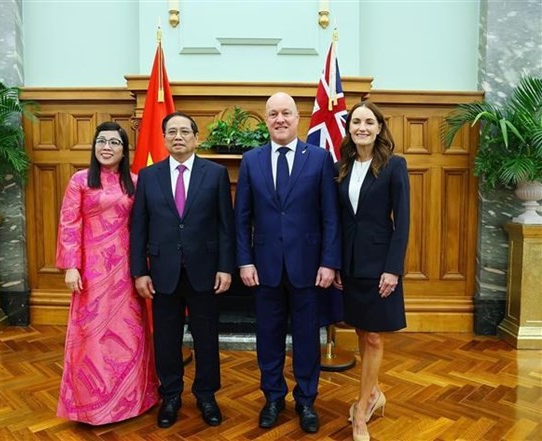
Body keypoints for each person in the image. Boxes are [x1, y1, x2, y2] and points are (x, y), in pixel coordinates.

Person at [234, 92, 341, 434]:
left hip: (309, 267)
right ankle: (273, 398)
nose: (280, 119)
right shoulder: (251, 160)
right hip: (264, 267)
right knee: (268, 336)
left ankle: (306, 400)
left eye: (286, 113)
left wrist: (329, 262)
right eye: (273, 114)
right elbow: (242, 218)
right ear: (266, 120)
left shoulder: (320, 159)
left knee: (308, 337)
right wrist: (244, 261)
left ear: (299, 118)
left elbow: (330, 217)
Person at [130, 111, 235, 428]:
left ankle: (206, 395)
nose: (178, 137)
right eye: (171, 132)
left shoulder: (215, 174)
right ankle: (171, 395)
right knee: (166, 338)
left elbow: (225, 226)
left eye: (184, 132)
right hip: (162, 272)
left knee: (206, 337)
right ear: (163, 138)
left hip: (205, 270)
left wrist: (226, 268)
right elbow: (139, 228)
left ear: (195, 137)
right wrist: (140, 271)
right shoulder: (148, 176)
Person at [55, 121, 159, 425]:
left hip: (126, 270)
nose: (107, 147)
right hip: (91, 271)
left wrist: (145, 268)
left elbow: (145, 227)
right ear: (94, 146)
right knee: (92, 334)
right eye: (102, 141)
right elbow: (69, 223)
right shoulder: (80, 180)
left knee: (129, 332)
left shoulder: (136, 183)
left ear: (124, 151)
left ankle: (132, 399)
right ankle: (90, 404)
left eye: (114, 143)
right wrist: (71, 266)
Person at [336, 101, 410, 441]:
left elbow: (403, 222)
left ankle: (362, 410)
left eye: (368, 121)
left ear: (379, 127)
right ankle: (375, 392)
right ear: (349, 128)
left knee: (376, 336)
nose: (361, 127)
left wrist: (393, 269)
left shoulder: (395, 166)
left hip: (381, 266)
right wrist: (336, 263)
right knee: (363, 334)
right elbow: (338, 220)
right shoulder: (342, 167)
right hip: (351, 267)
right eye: (356, 122)